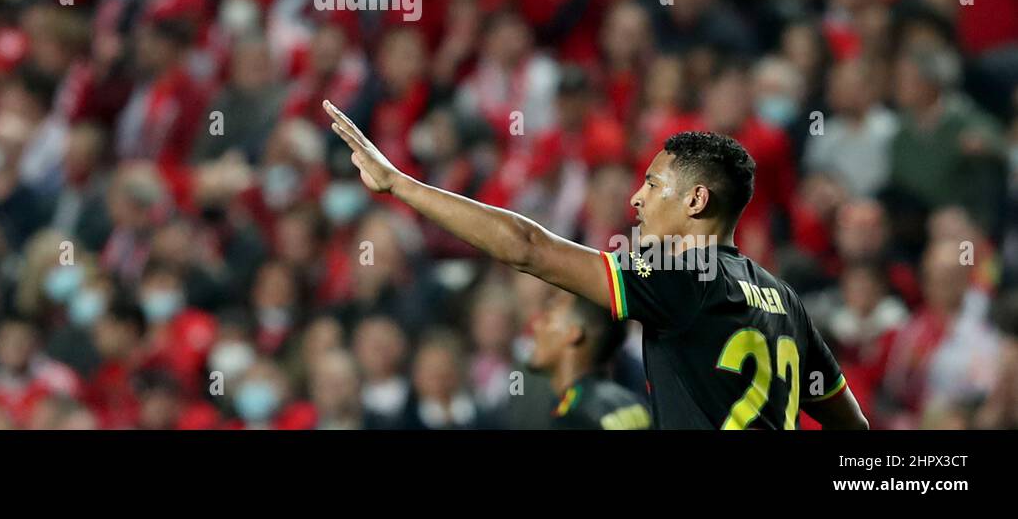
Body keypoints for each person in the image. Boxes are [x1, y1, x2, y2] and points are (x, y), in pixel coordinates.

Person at [324, 100, 868, 430]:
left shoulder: (683, 281)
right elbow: (850, 424)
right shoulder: (784, 298)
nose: (636, 199)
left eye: (653, 185)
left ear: (696, 201)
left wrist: (399, 183)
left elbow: (527, 248)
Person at [528, 289, 650, 430]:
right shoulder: (635, 404)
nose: (536, 326)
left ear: (573, 334)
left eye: (547, 318)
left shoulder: (574, 416)